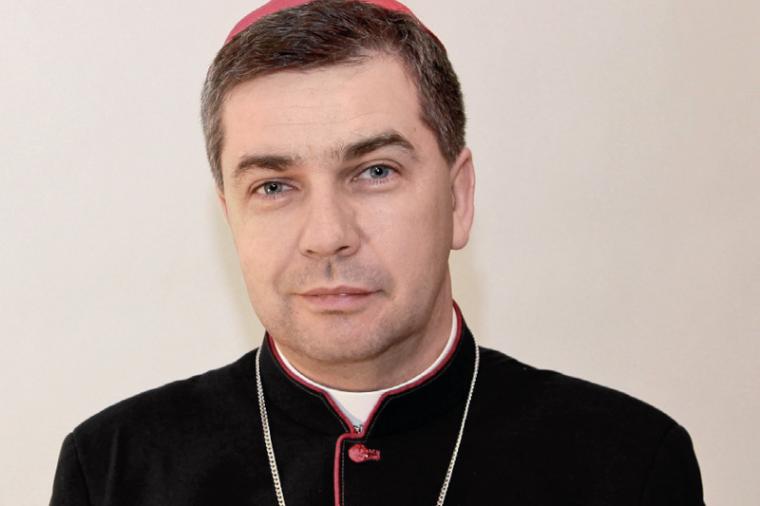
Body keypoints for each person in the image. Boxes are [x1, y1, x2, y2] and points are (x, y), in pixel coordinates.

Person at [50, 1, 705, 504]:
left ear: (458, 198)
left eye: (375, 172)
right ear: (231, 219)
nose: (327, 234)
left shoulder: (630, 463)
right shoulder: (113, 468)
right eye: (274, 186)